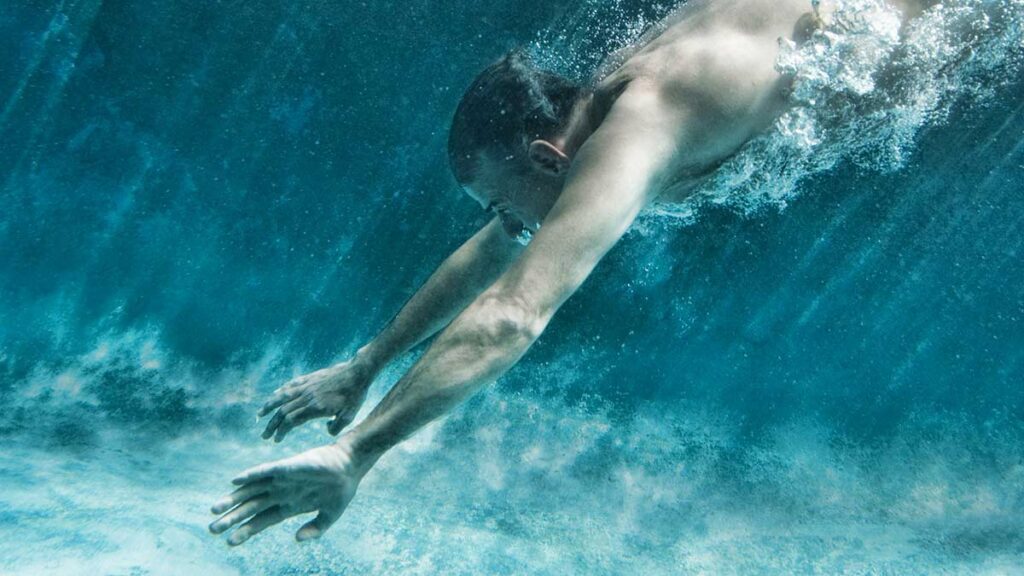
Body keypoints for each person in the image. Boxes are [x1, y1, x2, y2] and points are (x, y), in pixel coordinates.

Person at [209, 0, 930, 546]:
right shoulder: (589, 105)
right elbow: (497, 247)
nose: (505, 218)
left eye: (499, 197)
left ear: (547, 158)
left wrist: (354, 452)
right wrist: (368, 364)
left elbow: (516, 311)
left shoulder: (642, 128)